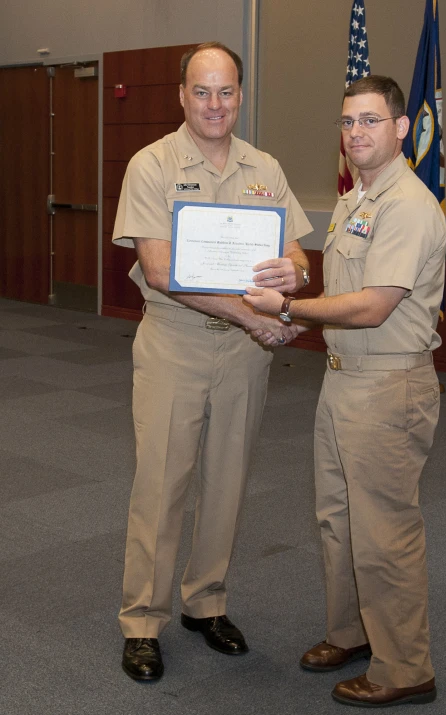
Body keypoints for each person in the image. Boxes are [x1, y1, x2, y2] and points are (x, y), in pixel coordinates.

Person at [112, 41, 312, 681]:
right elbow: (163, 269)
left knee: (227, 481)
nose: (215, 104)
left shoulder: (266, 168)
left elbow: (299, 255)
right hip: (175, 343)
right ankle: (143, 620)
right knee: (162, 485)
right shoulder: (152, 164)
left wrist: (296, 274)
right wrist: (257, 317)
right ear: (182, 96)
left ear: (241, 96)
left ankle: (206, 601)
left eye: (226, 91)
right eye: (202, 91)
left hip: (244, 357)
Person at [244, 75, 446, 708]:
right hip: (343, 384)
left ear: (402, 128)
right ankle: (353, 632)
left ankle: (405, 668)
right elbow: (340, 293)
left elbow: (373, 307)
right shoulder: (358, 199)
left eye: (371, 121)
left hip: (388, 386)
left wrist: (290, 308)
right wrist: (296, 300)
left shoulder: (407, 204)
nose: (356, 133)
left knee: (385, 533)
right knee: (339, 522)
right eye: (348, 122)